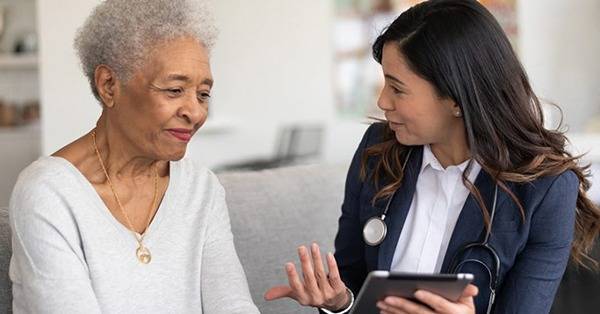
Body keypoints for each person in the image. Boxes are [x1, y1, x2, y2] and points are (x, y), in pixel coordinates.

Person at [265, 1, 600, 313]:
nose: (382, 101)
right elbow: (353, 278)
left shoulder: (545, 189)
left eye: (397, 88)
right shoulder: (377, 151)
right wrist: (339, 301)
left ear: (457, 99)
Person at [8, 0, 259, 313]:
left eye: (203, 94)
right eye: (174, 90)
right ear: (109, 85)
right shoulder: (49, 194)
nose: (195, 112)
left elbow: (233, 306)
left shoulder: (201, 189)